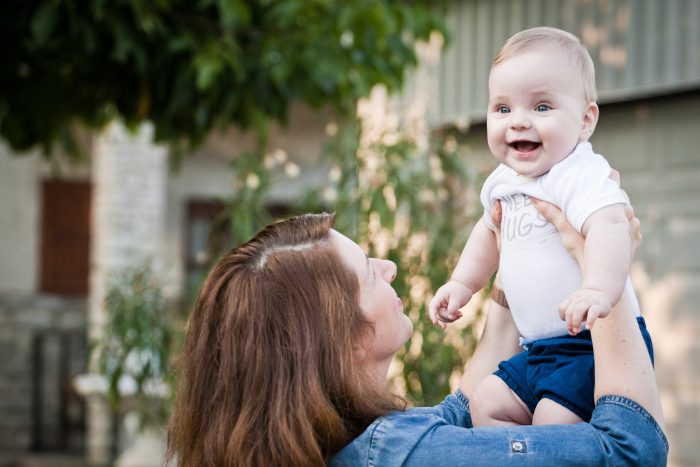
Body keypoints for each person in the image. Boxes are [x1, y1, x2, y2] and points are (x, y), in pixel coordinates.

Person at [166, 207, 667, 466]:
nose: (388, 267)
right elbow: (629, 453)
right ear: (340, 338)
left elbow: (457, 416)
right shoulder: (393, 454)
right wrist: (606, 274)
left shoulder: (341, 445)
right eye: (367, 270)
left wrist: (512, 282)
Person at [428, 26, 653, 426]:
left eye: (541, 107)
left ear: (585, 121)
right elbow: (487, 235)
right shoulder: (502, 179)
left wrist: (597, 289)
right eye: (502, 109)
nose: (518, 122)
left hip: (589, 345)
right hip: (536, 349)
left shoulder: (577, 172)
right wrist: (462, 284)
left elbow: (611, 226)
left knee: (552, 423)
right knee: (485, 404)